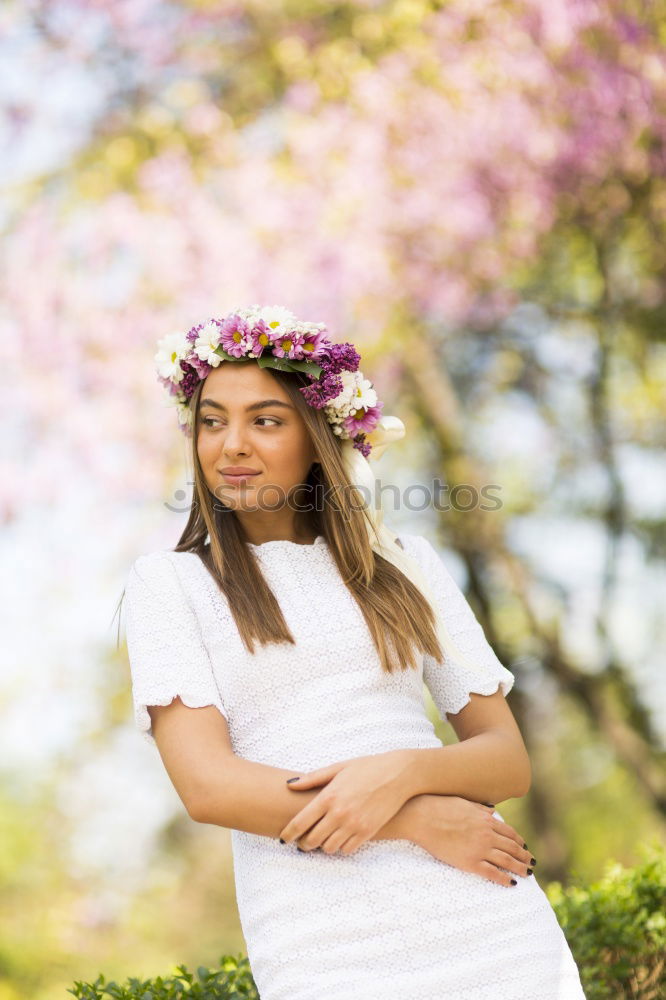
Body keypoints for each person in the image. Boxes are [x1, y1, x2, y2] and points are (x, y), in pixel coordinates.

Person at [123, 305, 587, 999]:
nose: (232, 445)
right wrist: (416, 816)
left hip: (486, 912)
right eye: (212, 421)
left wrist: (400, 771)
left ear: (319, 439)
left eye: (267, 421)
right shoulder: (171, 584)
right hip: (322, 939)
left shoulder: (407, 565)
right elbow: (208, 786)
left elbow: (504, 760)